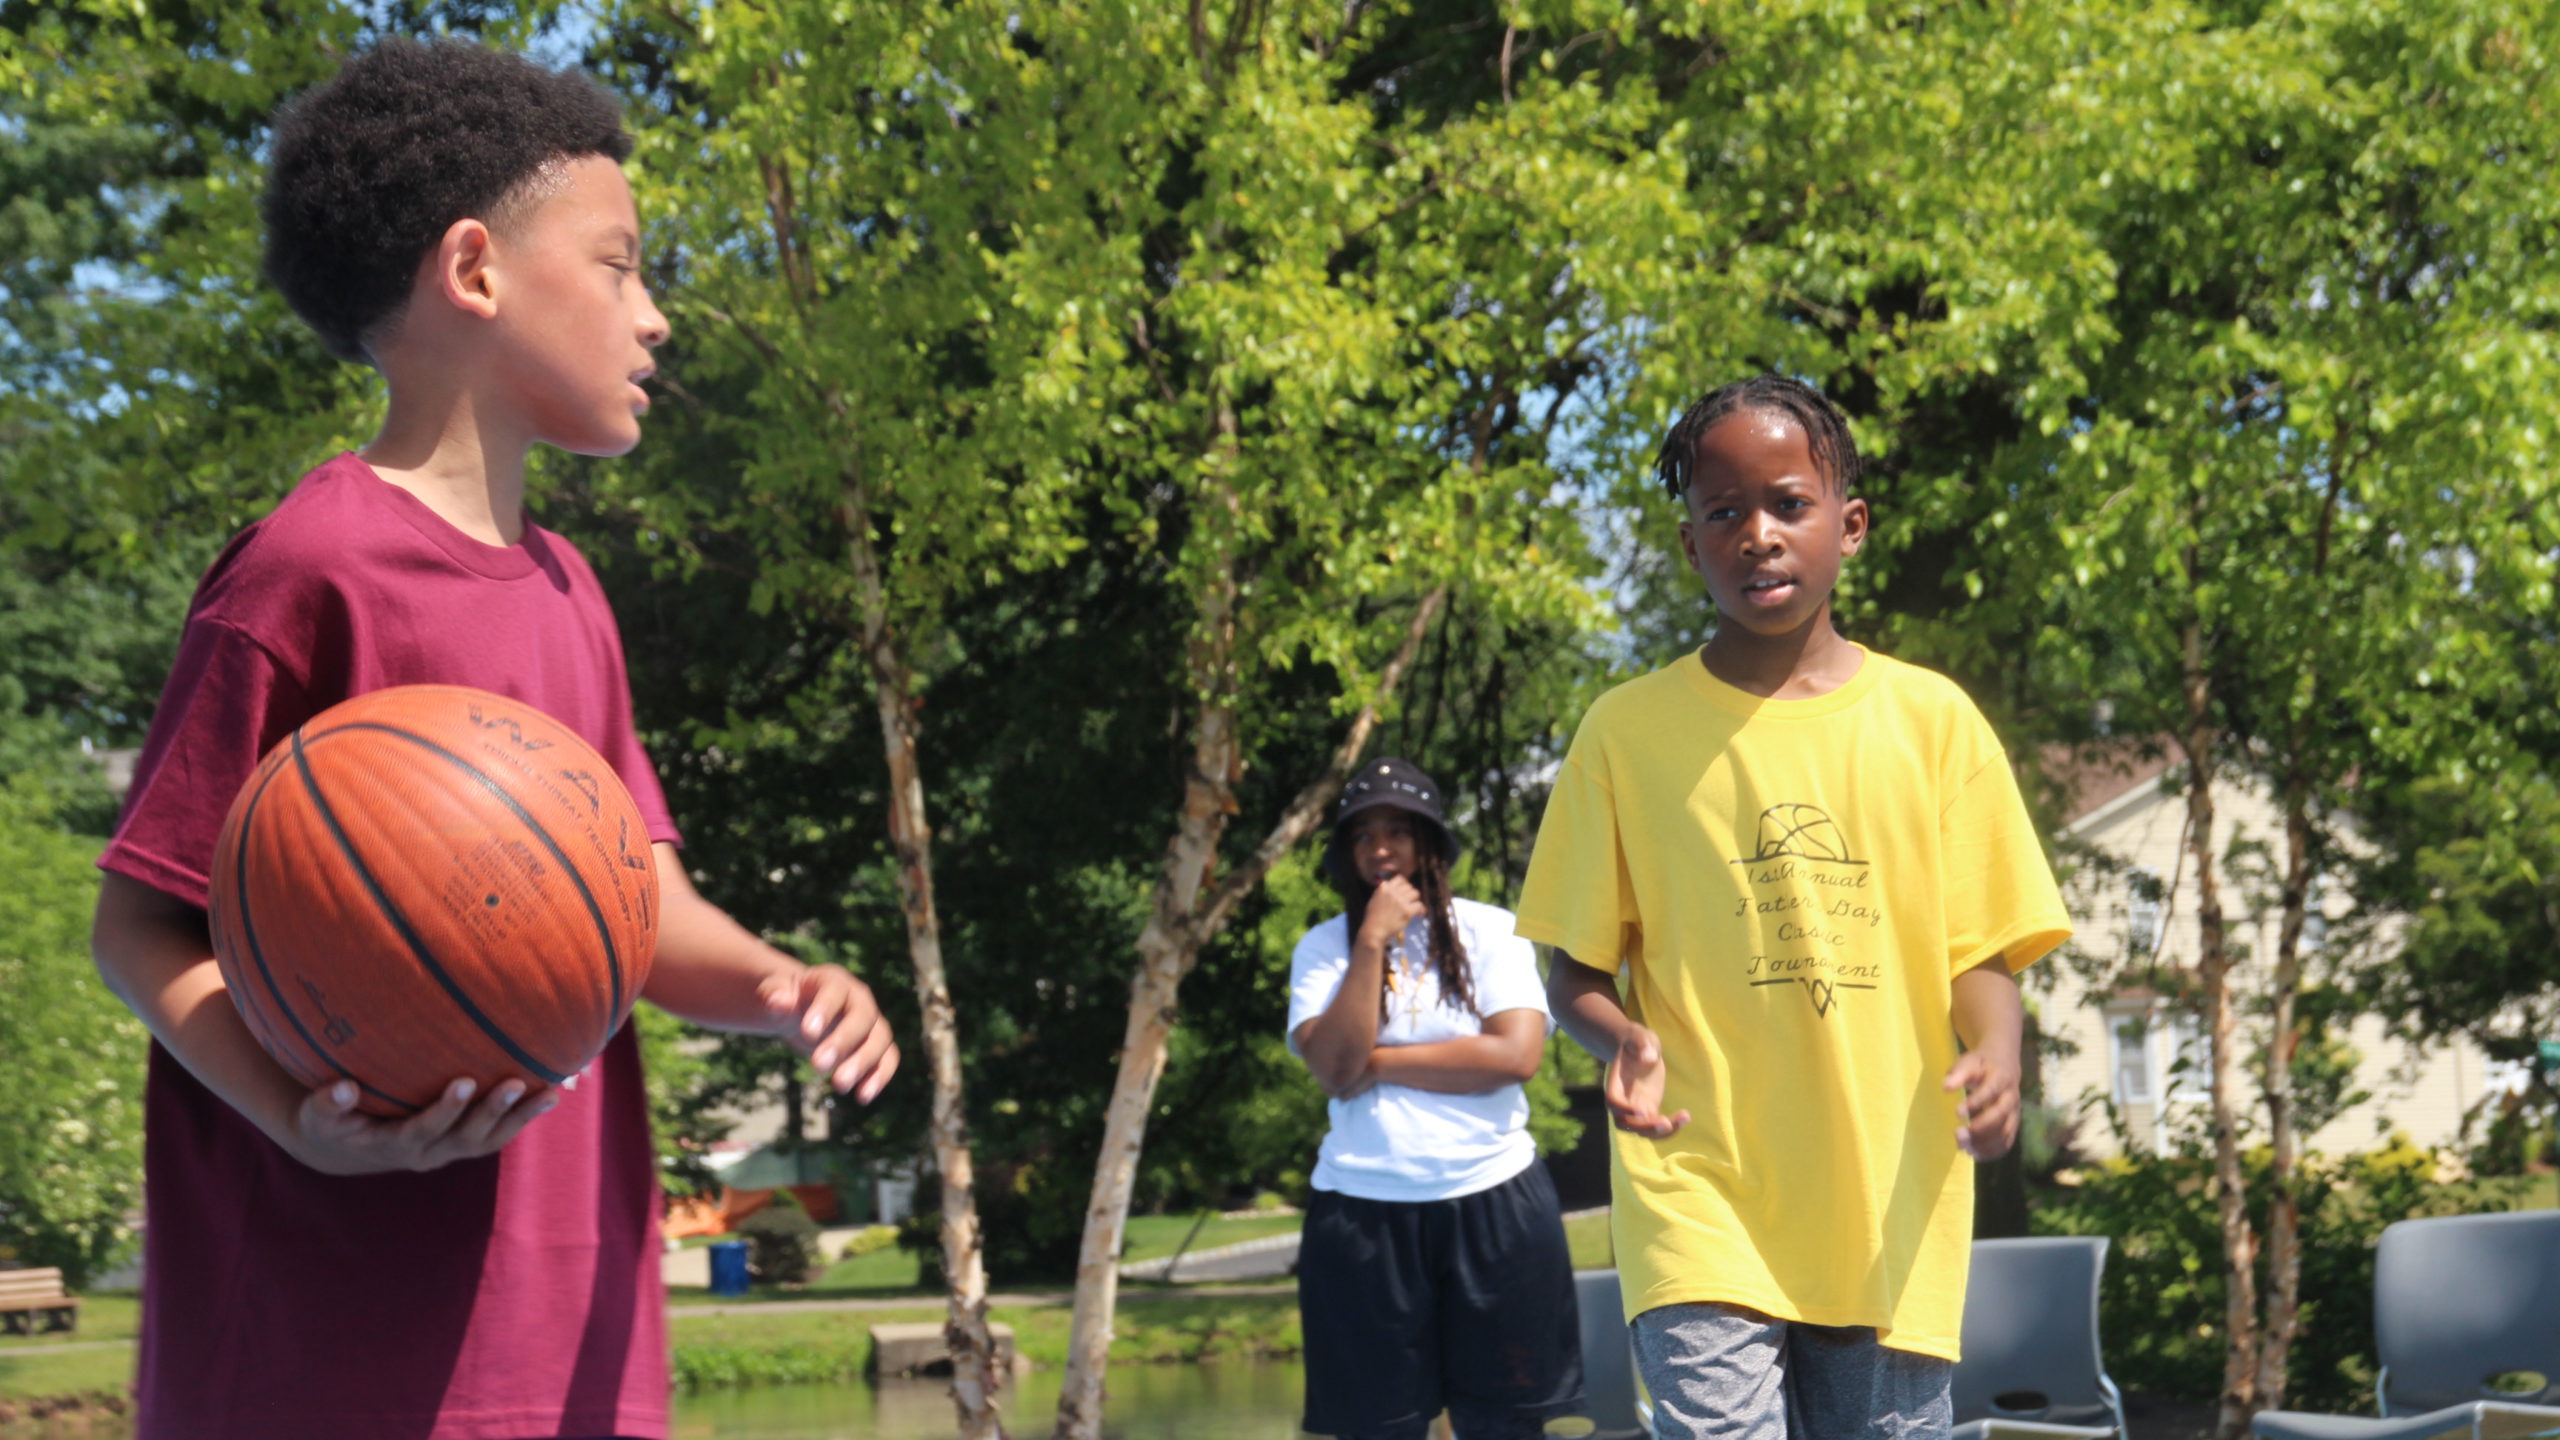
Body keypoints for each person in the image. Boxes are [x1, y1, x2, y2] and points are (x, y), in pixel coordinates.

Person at [87, 40, 898, 1440]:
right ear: (475, 269)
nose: (654, 317)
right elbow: (137, 930)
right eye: (619, 266)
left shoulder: (575, 594)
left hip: (563, 1332)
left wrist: (782, 985)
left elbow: (634, 912)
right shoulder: (309, 569)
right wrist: (296, 1116)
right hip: (322, 1347)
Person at [1515, 375, 2073, 1440]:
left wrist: (1998, 1054)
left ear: (1849, 526)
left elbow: (1981, 953)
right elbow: (1574, 972)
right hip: (1698, 1185)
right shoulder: (1624, 735)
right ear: (1690, 546)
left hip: (1888, 1201)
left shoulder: (1933, 722)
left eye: (1787, 504)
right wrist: (1620, 1036)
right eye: (1724, 512)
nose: (1758, 535)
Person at [1288, 757, 1585, 1440]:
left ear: (1431, 842)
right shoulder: (1324, 948)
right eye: (1363, 835)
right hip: (1362, 1210)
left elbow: (1515, 1056)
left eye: (1398, 830)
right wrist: (1371, 940)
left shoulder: (1490, 930)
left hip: (1494, 1197)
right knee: (1376, 1428)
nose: (1380, 849)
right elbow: (1333, 1067)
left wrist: (1379, 1063)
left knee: (1505, 1427)